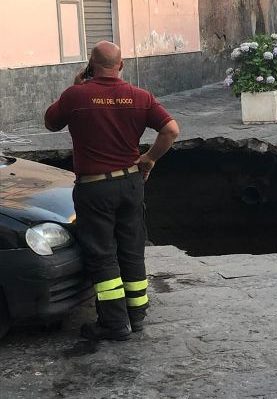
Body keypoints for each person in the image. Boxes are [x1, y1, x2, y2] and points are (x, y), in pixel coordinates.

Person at [45, 41, 179, 341]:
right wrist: (150, 158)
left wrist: (75, 86)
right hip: (131, 183)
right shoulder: (140, 97)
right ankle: (137, 314)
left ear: (90, 65)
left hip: (94, 189)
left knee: (102, 255)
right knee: (132, 250)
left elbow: (50, 123)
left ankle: (114, 323)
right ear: (121, 65)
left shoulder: (75, 96)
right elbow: (171, 129)